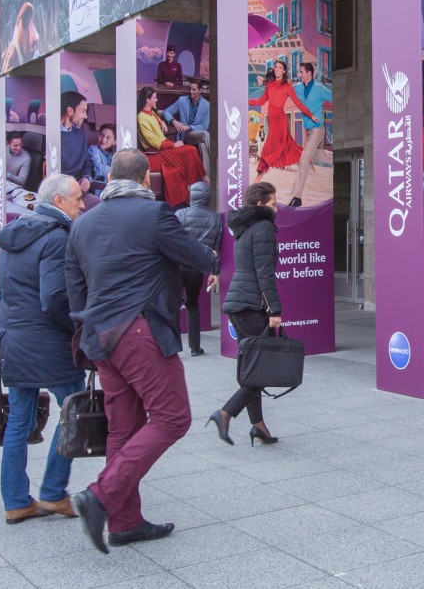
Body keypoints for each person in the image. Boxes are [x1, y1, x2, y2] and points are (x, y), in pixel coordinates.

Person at [66, 149, 218, 552]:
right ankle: (99, 496)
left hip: (99, 336)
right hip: (140, 332)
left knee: (124, 428)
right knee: (173, 418)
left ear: (111, 177)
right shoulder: (154, 214)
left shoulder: (82, 224)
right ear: (146, 179)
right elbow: (197, 257)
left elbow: (74, 289)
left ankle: (125, 521)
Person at [0, 174, 87, 525]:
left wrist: (2, 337)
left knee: (18, 422)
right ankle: (52, 492)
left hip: (15, 342)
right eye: (77, 198)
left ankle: (16, 501)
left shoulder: (12, 235)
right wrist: (79, 332)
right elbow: (54, 299)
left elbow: (1, 295)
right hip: (49, 345)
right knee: (73, 413)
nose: (82, 205)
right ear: (59, 202)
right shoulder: (57, 238)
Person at [208, 181, 284, 446]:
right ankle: (225, 413)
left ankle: (259, 426)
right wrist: (274, 309)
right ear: (261, 205)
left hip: (239, 305)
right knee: (261, 369)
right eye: (274, 204)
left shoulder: (244, 228)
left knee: (253, 368)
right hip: (252, 306)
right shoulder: (263, 227)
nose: (277, 208)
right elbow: (265, 272)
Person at [137, 86, 206, 207]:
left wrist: (162, 121)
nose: (157, 100)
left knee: (191, 150)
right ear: (148, 100)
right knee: (190, 150)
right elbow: (153, 141)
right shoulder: (141, 117)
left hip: (164, 147)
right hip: (157, 151)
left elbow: (156, 116)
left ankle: (193, 188)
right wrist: (173, 144)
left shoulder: (151, 113)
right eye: (154, 98)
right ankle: (198, 184)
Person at [249, 60, 317, 180]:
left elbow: (298, 103)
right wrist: (247, 100)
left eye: (280, 67)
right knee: (290, 147)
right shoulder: (269, 85)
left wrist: (310, 115)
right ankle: (307, 159)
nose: (277, 69)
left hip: (280, 121)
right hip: (272, 120)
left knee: (270, 149)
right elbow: (261, 101)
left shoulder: (287, 86)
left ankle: (257, 179)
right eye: (276, 67)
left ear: (284, 71)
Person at [175, 180, 219, 356]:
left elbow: (172, 240)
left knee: (173, 305)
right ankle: (195, 347)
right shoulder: (215, 218)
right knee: (193, 304)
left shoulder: (181, 214)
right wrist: (214, 272)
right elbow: (217, 248)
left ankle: (173, 347)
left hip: (177, 266)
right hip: (197, 267)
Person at [288, 62, 331, 207]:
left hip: (318, 129)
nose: (299, 75)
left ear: (309, 73)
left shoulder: (320, 89)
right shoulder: (299, 87)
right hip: (309, 130)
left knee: (304, 160)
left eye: (301, 72)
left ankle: (296, 197)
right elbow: (285, 88)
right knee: (321, 157)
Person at [161, 81, 211, 169]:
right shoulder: (182, 100)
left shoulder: (206, 105)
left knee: (202, 146)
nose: (191, 91)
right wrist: (174, 122)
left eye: (194, 89)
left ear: (200, 90)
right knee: (206, 134)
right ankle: (217, 158)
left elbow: (204, 126)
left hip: (197, 135)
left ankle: (206, 179)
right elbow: (166, 112)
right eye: (190, 89)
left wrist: (188, 127)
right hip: (185, 136)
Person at [59, 90, 94, 197]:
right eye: (83, 111)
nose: (86, 116)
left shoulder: (81, 135)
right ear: (70, 111)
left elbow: (86, 163)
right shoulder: (51, 137)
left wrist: (86, 178)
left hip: (78, 191)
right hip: (60, 192)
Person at [88, 125, 116, 193]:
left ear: (114, 142)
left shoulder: (114, 154)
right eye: (101, 135)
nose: (103, 139)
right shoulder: (93, 149)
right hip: (96, 189)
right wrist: (117, 172)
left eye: (108, 137)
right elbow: (98, 168)